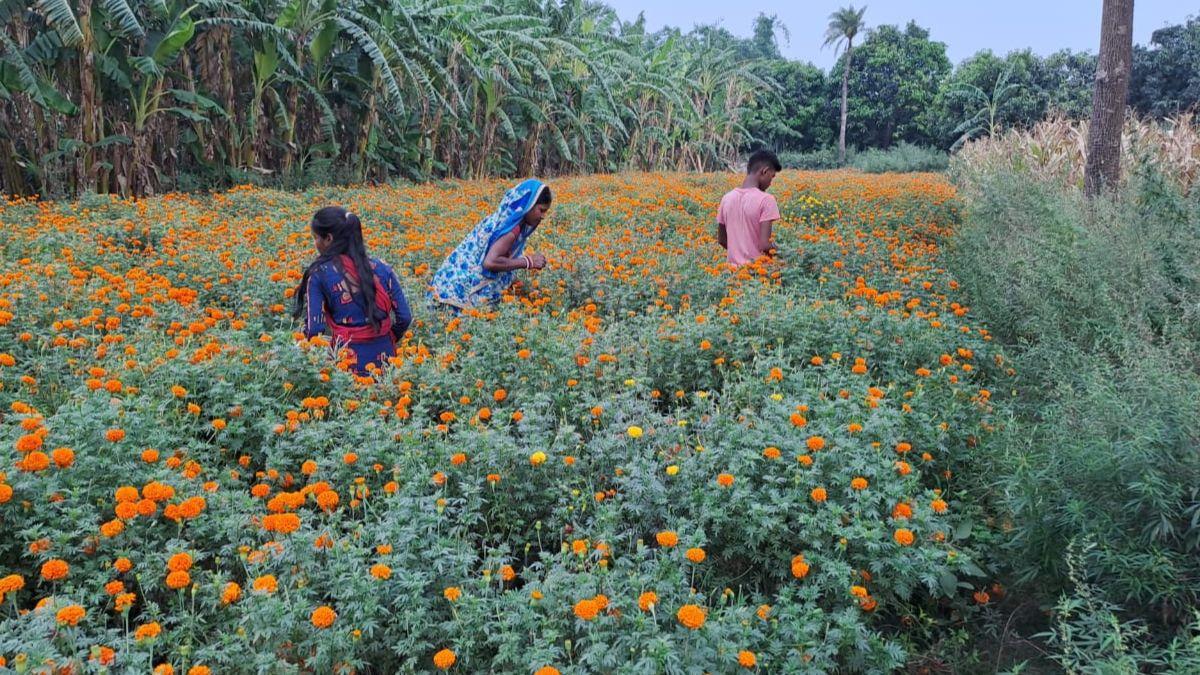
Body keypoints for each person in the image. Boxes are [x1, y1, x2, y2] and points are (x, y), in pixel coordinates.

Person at [293, 206, 412, 376]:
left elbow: (315, 329)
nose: (315, 243)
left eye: (316, 238)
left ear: (328, 238)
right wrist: (386, 336)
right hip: (387, 358)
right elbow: (405, 317)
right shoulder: (382, 268)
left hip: (347, 362)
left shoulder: (320, 274)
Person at [430, 179, 551, 311]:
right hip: (457, 290)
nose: (543, 216)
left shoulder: (505, 220)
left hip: (445, 284)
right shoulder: (511, 230)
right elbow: (490, 262)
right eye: (541, 210)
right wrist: (528, 262)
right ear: (529, 204)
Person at [716, 150, 782, 266]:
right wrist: (785, 251)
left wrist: (738, 253)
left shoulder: (727, 198)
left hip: (732, 273)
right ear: (764, 171)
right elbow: (764, 245)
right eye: (772, 177)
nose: (770, 183)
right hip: (756, 274)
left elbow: (721, 240)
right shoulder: (766, 200)